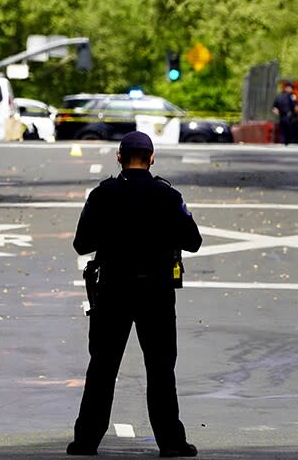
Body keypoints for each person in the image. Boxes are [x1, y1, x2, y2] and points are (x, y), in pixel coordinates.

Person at [67, 131, 203, 458]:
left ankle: (86, 441)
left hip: (113, 290)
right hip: (156, 292)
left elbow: (82, 244)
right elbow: (193, 241)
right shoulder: (167, 196)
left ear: (119, 157)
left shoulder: (103, 195)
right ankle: (171, 443)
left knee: (102, 368)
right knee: (159, 370)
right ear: (152, 157)